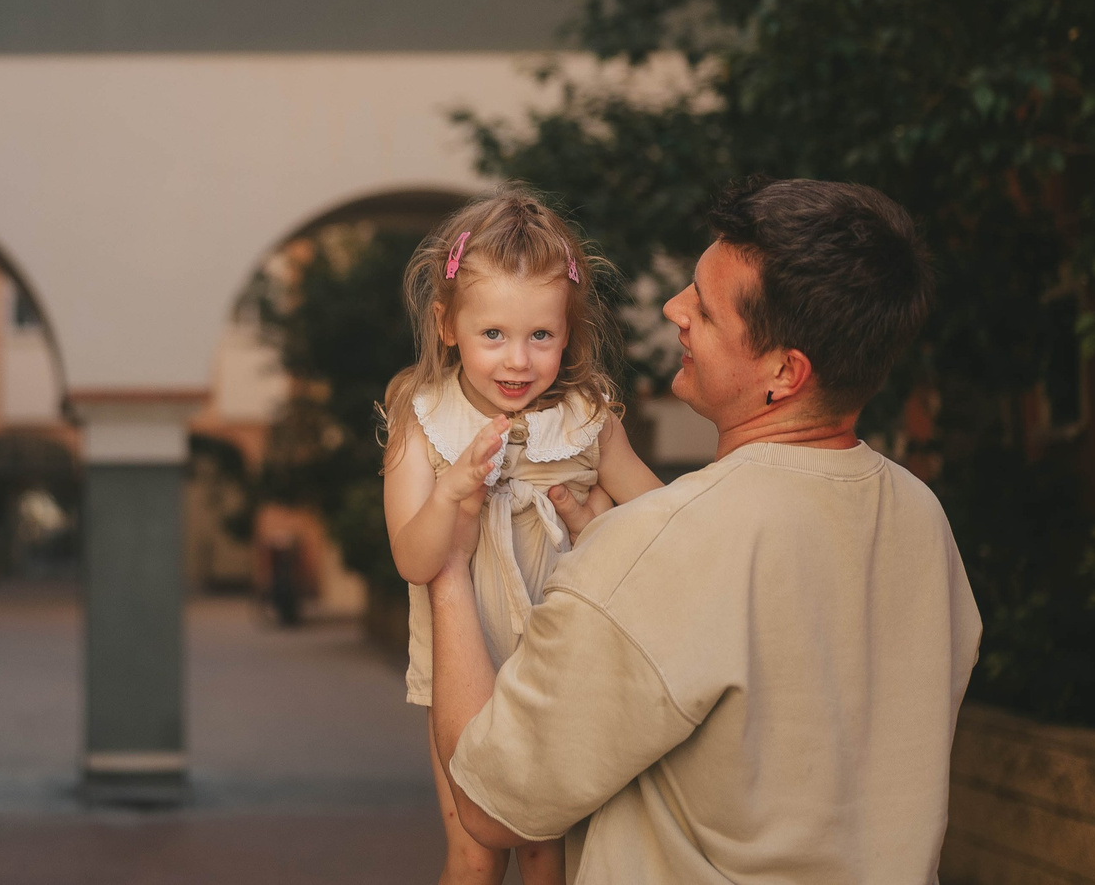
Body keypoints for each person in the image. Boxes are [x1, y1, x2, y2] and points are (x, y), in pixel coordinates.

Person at [426, 178, 980, 884]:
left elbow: (488, 805)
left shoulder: (664, 547)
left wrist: (448, 570)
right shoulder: (921, 517)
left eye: (706, 310)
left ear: (786, 372)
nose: (674, 309)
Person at [380, 188, 664, 885]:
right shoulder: (423, 420)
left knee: (552, 855)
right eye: (493, 334)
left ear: (568, 330)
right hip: (462, 676)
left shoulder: (587, 419)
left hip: (562, 674)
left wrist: (606, 525)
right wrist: (450, 493)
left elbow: (664, 523)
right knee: (475, 854)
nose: (517, 360)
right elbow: (413, 560)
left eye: (541, 334)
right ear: (447, 324)